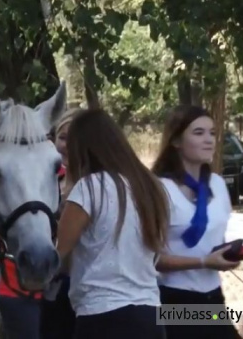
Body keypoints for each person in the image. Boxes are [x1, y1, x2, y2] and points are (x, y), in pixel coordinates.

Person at [56, 109, 169, 339]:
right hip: (150, 314)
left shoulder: (88, 188)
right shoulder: (149, 186)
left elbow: (58, 254)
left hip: (102, 315)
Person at [151, 105, 242, 339]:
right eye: (198, 133)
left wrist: (226, 253)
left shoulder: (218, 185)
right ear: (176, 141)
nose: (209, 140)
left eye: (212, 133)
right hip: (173, 303)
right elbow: (152, 258)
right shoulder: (159, 189)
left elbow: (215, 237)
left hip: (213, 300)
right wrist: (203, 261)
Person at [40, 109, 81, 339]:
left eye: (76, 139)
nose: (67, 146)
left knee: (209, 320)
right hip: (52, 288)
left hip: (87, 287)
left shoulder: (97, 187)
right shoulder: (48, 183)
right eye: (63, 138)